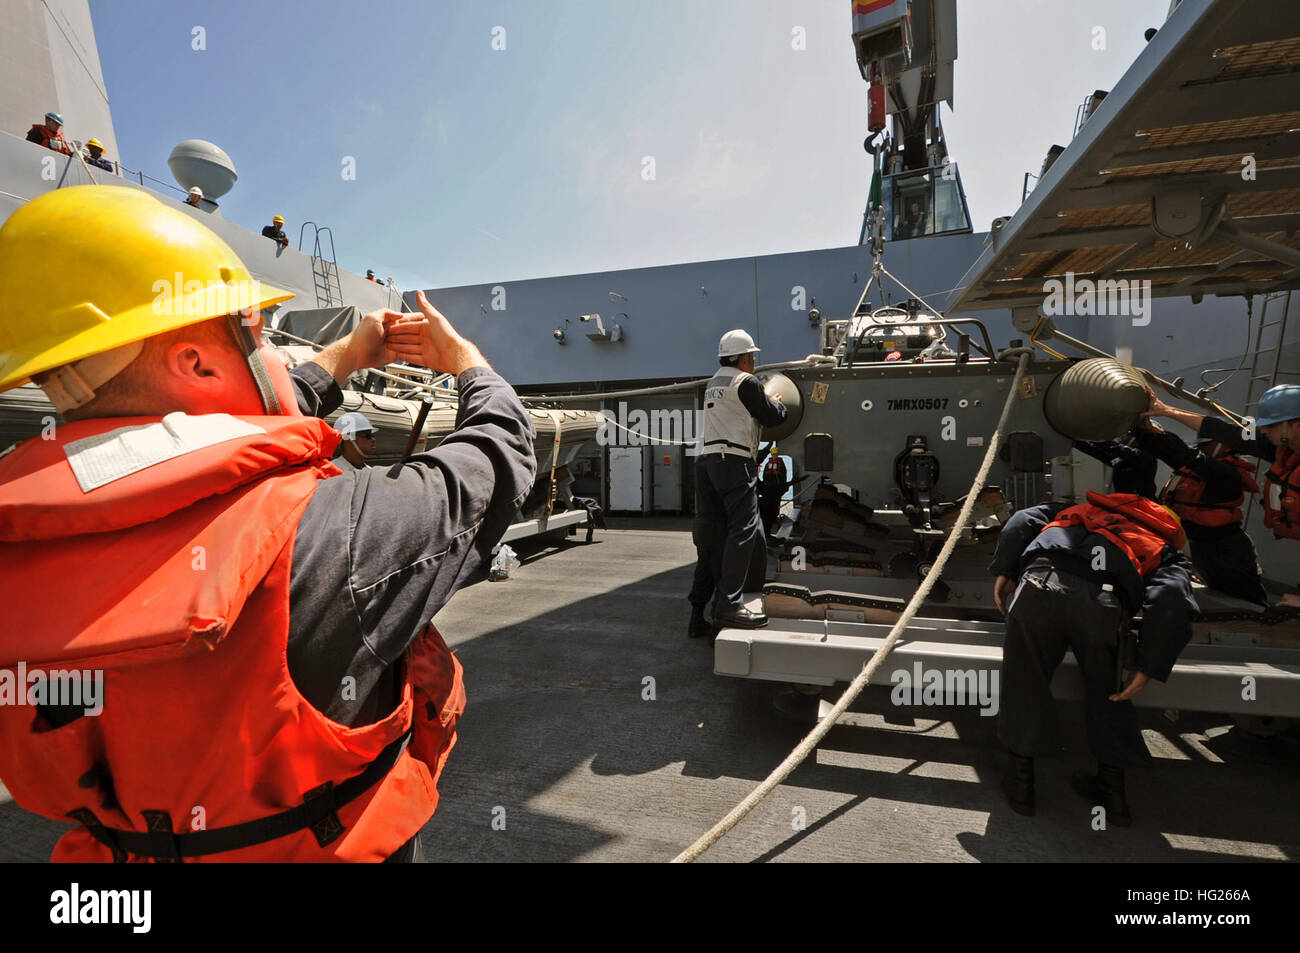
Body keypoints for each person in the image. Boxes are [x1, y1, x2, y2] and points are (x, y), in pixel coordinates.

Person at [0, 185, 537, 862]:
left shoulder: (19, 538)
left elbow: (193, 434)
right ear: (195, 362)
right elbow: (496, 458)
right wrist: (468, 363)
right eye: (250, 330)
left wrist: (341, 356)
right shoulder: (335, 530)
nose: (271, 351)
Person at [990, 490, 1196, 826]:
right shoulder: (1164, 547)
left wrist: (1006, 569)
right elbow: (1172, 599)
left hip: (1038, 585)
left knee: (1024, 682)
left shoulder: (1078, 510)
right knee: (1109, 692)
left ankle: (1021, 788)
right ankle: (1113, 796)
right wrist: (1148, 664)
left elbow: (1021, 520)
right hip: (1102, 605)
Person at [1145, 384, 1300, 607]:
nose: (1263, 430)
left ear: (1294, 424)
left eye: (1271, 425)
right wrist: (1167, 410)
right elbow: (1229, 432)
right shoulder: (1279, 446)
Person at [690, 329, 786, 633]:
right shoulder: (746, 383)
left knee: (712, 535)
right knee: (743, 528)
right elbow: (773, 416)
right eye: (752, 357)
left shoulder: (713, 383)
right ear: (744, 358)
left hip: (707, 462)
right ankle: (730, 604)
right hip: (732, 463)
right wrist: (776, 402)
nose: (754, 362)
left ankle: (699, 615)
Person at [1132, 421, 1268, 605]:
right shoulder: (1198, 467)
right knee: (1221, 597)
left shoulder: (1226, 473)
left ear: (1224, 445)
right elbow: (1170, 453)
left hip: (1229, 551)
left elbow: (1188, 456)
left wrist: (1159, 431)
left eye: (1206, 444)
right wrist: (1141, 430)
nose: (1201, 448)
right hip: (1203, 548)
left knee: (1247, 601)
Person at [758, 446, 790, 536]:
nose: (774, 455)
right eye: (773, 454)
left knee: (773, 510)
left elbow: (783, 475)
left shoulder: (781, 464)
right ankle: (766, 532)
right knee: (768, 511)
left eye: (775, 454)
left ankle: (769, 529)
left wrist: (781, 487)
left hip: (775, 489)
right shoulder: (768, 464)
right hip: (769, 489)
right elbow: (765, 475)